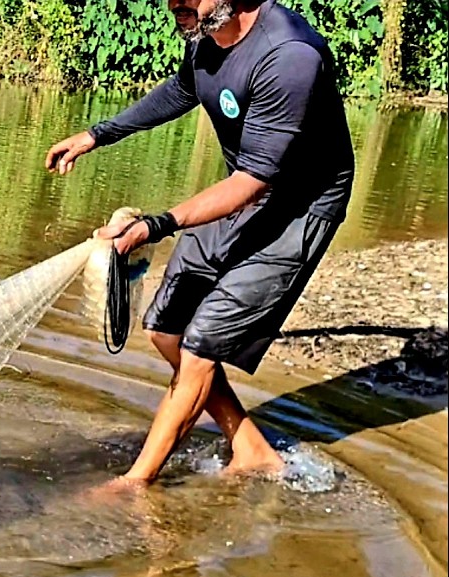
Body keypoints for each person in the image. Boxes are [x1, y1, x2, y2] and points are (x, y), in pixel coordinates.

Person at [44, 0, 354, 490]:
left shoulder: (290, 55)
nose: (175, 4)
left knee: (199, 346)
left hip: (298, 208)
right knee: (166, 328)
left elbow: (252, 181)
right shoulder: (206, 34)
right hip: (245, 190)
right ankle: (251, 448)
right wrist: (95, 135)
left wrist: (158, 225)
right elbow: (182, 90)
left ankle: (134, 485)